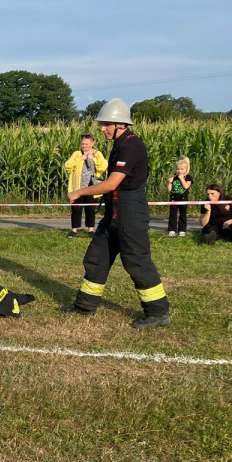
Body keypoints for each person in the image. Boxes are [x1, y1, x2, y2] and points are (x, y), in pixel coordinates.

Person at [60, 98, 170, 328]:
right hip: (115, 211)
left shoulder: (130, 145)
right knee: (97, 257)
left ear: (120, 124)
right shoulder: (119, 145)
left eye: (106, 124)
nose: (102, 129)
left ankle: (158, 313)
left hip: (131, 211)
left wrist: (79, 192)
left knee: (137, 261)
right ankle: (84, 306)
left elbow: (112, 183)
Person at [63, 134, 107, 237]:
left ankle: (90, 230)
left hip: (92, 187)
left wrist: (93, 159)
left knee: (90, 209)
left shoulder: (97, 153)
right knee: (76, 209)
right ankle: (74, 230)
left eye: (86, 144)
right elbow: (68, 166)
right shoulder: (77, 154)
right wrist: (81, 158)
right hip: (78, 187)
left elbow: (103, 166)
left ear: (92, 143)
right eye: (82, 144)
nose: (84, 146)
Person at [167, 157, 194, 237]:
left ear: (186, 169)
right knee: (172, 215)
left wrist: (182, 179)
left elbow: (186, 187)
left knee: (183, 214)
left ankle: (182, 230)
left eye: (182, 169)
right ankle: (172, 229)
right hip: (173, 199)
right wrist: (169, 183)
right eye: (178, 169)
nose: (180, 171)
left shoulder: (188, 178)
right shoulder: (174, 178)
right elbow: (169, 190)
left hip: (183, 199)